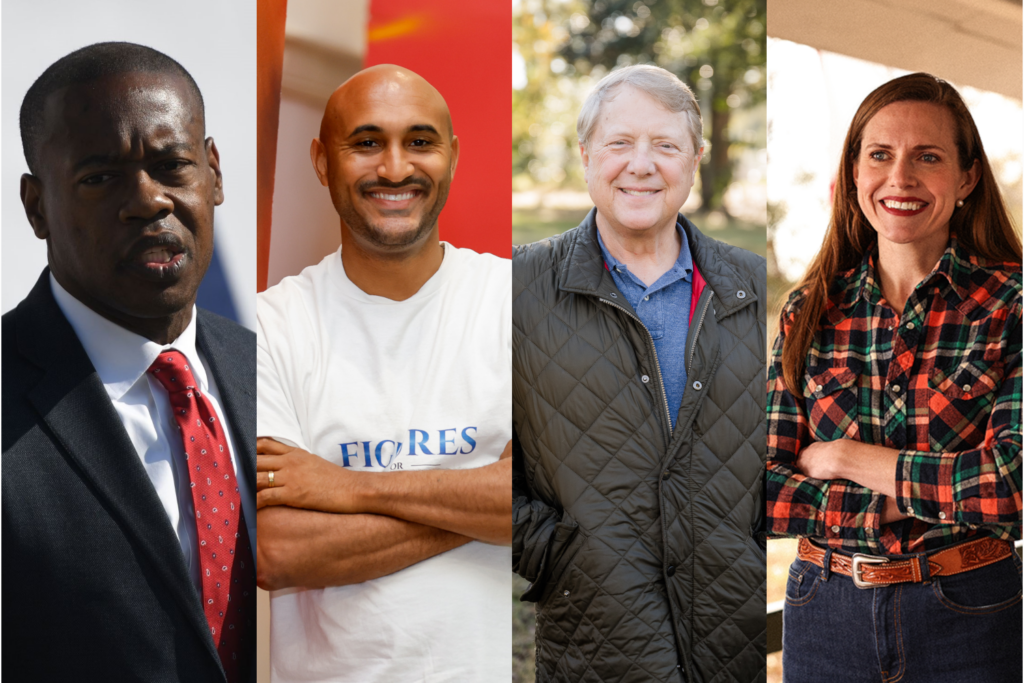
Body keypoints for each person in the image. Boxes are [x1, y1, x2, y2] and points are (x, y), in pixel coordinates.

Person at [2, 42, 256, 682]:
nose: (148, 201)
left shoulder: (271, 369)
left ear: (215, 174)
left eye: (173, 165)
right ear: (37, 207)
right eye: (99, 177)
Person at [254, 64, 511, 682]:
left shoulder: (519, 301)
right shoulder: (271, 326)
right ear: (321, 161)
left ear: (452, 155)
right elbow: (279, 549)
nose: (395, 168)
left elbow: (573, 496)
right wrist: (489, 506)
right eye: (367, 143)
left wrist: (343, 488)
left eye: (419, 142)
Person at [512, 64, 767, 683]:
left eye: (666, 145)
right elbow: (478, 458)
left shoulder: (755, 286)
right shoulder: (516, 288)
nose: (641, 164)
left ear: (697, 158)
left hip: (736, 642)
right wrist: (561, 554)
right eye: (620, 143)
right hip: (596, 641)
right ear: (585, 155)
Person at [767, 72, 1022, 681]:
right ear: (855, 173)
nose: (900, 178)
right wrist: (902, 504)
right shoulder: (809, 311)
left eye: (927, 157)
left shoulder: (1011, 305)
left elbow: (1012, 485)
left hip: (971, 611)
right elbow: (762, 493)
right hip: (823, 611)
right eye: (880, 155)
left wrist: (845, 457)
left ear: (966, 178)